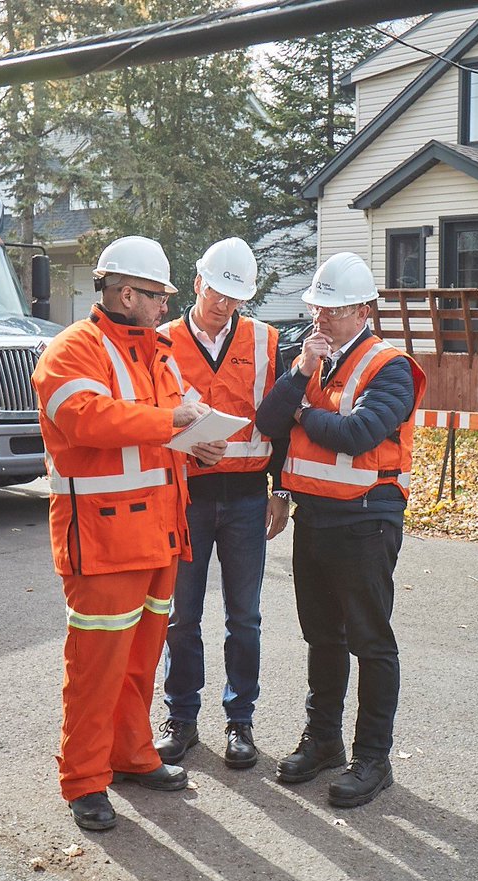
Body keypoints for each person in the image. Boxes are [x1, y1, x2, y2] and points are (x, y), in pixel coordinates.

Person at [31, 235, 225, 832]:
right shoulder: (71, 350)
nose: (165, 304)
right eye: (155, 295)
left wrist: (200, 447)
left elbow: (164, 432)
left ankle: (131, 754)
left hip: (160, 536)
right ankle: (84, 780)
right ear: (122, 291)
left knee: (140, 661)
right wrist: (173, 421)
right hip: (103, 539)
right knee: (95, 668)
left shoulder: (155, 350)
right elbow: (87, 419)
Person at [255, 252, 426, 808]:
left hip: (367, 519)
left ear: (362, 310)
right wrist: (300, 377)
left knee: (370, 642)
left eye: (332, 310)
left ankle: (372, 758)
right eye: (315, 308)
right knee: (322, 636)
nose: (319, 320)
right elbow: (267, 422)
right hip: (317, 517)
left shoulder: (389, 365)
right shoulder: (311, 360)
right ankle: (323, 740)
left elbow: (359, 433)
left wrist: (304, 414)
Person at [154, 238, 289, 771]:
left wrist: (280, 490)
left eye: (235, 298)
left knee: (245, 617)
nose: (224, 305)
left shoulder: (266, 340)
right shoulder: (160, 340)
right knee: (181, 617)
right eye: (217, 293)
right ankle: (181, 718)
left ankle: (240, 723)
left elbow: (280, 421)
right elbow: (148, 417)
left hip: (248, 498)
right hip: (186, 496)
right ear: (196, 284)